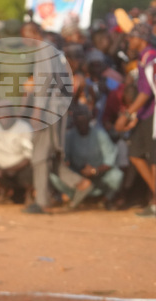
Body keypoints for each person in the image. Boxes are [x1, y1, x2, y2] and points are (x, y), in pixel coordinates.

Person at [51, 104, 123, 209]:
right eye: (78, 119)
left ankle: (104, 201)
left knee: (117, 175)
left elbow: (110, 160)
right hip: (78, 176)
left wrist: (94, 170)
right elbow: (66, 160)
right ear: (74, 121)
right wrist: (79, 171)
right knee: (54, 176)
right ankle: (74, 196)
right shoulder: (70, 136)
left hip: (99, 174)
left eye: (83, 118)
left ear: (89, 119)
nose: (81, 122)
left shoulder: (100, 134)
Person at [119, 22, 156, 216]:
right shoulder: (144, 57)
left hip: (152, 114)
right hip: (146, 114)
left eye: (132, 37)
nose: (129, 41)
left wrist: (127, 114)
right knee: (135, 153)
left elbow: (146, 92)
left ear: (141, 39)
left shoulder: (150, 57)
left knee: (153, 158)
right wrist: (137, 116)